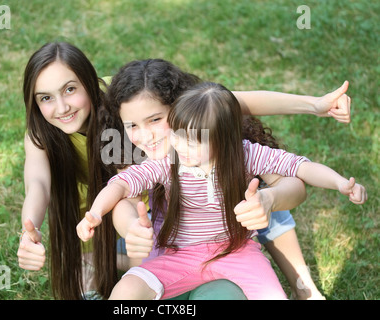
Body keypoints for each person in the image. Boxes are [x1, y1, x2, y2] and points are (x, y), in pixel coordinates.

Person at [17, 42, 352, 299]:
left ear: (89, 83)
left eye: (70, 89)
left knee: (247, 184)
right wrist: (130, 230)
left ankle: (303, 285)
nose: (61, 106)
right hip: (139, 233)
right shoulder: (111, 129)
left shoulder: (129, 96)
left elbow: (233, 102)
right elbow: (52, 186)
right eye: (45, 97)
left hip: (207, 225)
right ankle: (112, 266)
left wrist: (314, 105)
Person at [77, 82, 366, 300]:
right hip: (178, 255)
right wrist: (95, 212)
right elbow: (122, 183)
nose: (181, 146)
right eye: (177, 135)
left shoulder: (246, 155)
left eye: (194, 140)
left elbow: (302, 168)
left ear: (225, 139)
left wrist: (340, 183)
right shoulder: (169, 162)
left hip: (238, 253)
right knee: (126, 291)